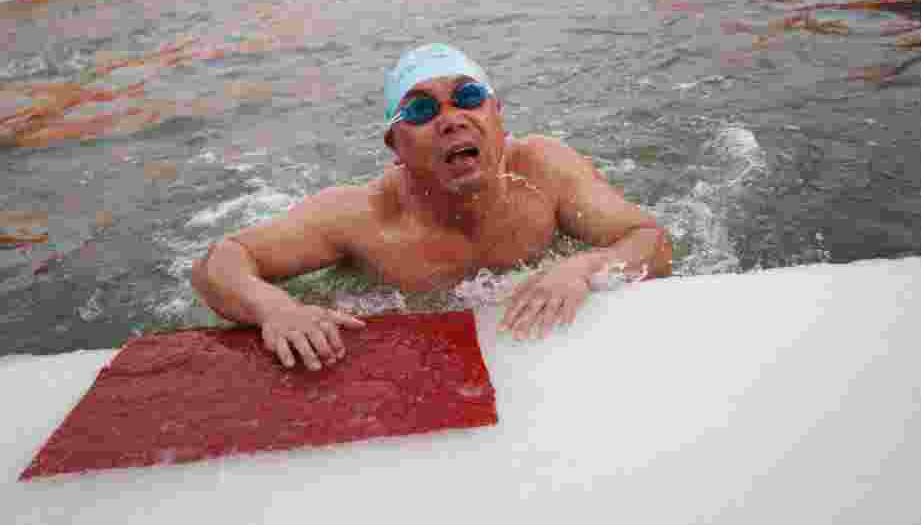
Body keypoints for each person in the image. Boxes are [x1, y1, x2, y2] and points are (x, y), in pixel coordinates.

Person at [192, 44, 673, 371]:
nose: (451, 119)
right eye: (422, 110)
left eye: (468, 97)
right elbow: (222, 259)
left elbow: (649, 239)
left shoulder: (545, 170)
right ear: (394, 145)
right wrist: (275, 308)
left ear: (497, 116)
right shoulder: (362, 218)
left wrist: (582, 268)